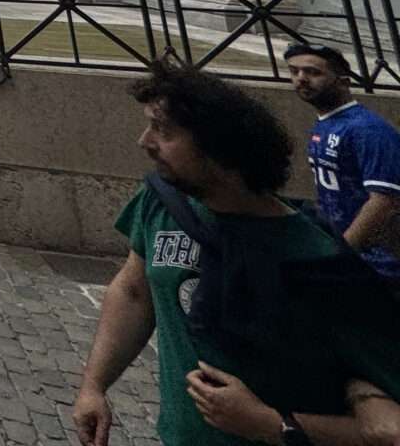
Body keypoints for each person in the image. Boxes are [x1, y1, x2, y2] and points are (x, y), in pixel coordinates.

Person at [71, 61, 400, 446]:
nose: (144, 142)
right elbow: (134, 290)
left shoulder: (316, 260)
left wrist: (269, 423)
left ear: (219, 150)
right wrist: (93, 386)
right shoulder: (161, 202)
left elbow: (386, 427)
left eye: (163, 130)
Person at [285, 42, 400, 286]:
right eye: (294, 71)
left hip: (379, 269)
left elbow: (384, 200)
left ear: (343, 81)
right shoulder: (326, 124)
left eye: (313, 72)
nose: (301, 78)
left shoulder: (367, 130)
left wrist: (340, 255)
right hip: (351, 259)